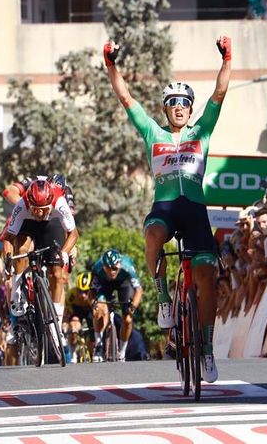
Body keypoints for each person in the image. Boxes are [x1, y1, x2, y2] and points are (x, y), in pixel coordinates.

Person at [103, 34, 231, 382]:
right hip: (165, 207)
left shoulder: (201, 131)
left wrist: (226, 61)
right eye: (172, 102)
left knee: (207, 276)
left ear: (190, 110)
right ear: (165, 109)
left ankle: (205, 350)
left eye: (184, 103)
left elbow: (219, 95)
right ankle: (163, 298)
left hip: (195, 211)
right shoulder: (152, 133)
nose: (178, 107)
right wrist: (110, 64)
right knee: (152, 234)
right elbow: (126, 97)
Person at [1, 176, 79, 364]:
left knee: (58, 273)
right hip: (26, 225)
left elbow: (73, 233)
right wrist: (8, 262)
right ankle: (18, 296)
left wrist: (65, 252)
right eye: (35, 209)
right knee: (20, 251)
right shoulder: (22, 204)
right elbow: (8, 237)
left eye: (41, 210)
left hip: (51, 225)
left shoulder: (59, 201)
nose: (38, 213)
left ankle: (56, 323)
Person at [91, 249, 143, 362]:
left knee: (128, 319)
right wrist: (94, 305)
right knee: (99, 310)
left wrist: (133, 307)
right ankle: (99, 346)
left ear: (119, 265)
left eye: (114, 268)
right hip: (104, 284)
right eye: (108, 268)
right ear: (103, 266)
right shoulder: (97, 267)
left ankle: (122, 352)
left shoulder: (127, 267)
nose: (111, 271)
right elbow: (92, 291)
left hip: (123, 283)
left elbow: (138, 290)